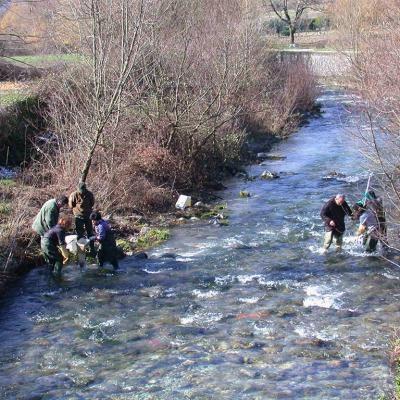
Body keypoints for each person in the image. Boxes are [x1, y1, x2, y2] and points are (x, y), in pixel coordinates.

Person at [69, 182, 95, 255]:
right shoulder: (74, 194)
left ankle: (92, 249)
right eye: (80, 190)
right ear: (78, 189)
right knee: (80, 233)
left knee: (90, 232)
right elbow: (71, 205)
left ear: (85, 189)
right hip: (78, 216)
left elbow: (92, 203)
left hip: (88, 216)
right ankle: (81, 251)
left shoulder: (90, 194)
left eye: (83, 190)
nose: (82, 192)